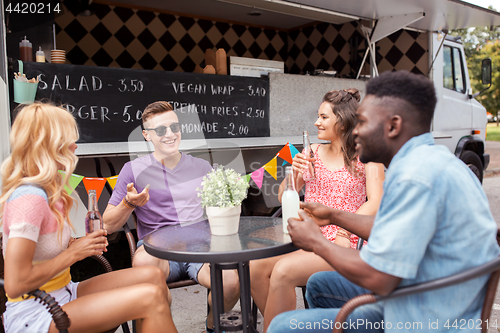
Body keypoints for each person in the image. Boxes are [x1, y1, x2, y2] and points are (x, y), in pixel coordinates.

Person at [267, 71, 500, 333]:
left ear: (393, 126)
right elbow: (390, 228)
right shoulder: (429, 160)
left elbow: (379, 276)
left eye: (363, 122)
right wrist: (334, 215)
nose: (355, 131)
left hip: (424, 317)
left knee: (283, 326)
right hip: (421, 291)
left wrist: (317, 242)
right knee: (321, 284)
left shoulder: (415, 178)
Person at [1, 102, 177, 333]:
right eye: (68, 140)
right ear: (48, 144)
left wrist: (77, 244)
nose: (75, 146)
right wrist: (74, 253)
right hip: (37, 311)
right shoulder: (29, 198)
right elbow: (15, 285)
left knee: (153, 276)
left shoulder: (49, 190)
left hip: (65, 290)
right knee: (151, 297)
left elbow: (42, 251)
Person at [250, 89, 385, 332]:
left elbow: (376, 201)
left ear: (342, 122)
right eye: (318, 116)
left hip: (341, 243)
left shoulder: (367, 156)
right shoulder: (310, 153)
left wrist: (344, 231)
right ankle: (284, 326)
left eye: (323, 117)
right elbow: (284, 196)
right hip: (304, 236)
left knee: (282, 272)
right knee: (253, 268)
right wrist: (294, 172)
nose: (316, 122)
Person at [103, 101, 240, 332]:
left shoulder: (202, 167)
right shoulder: (133, 169)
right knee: (144, 268)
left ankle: (212, 324)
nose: (170, 134)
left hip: (199, 247)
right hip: (157, 249)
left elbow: (221, 210)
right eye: (160, 130)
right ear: (147, 135)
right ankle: (162, 325)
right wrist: (128, 203)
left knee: (231, 282)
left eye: (174, 127)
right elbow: (107, 224)